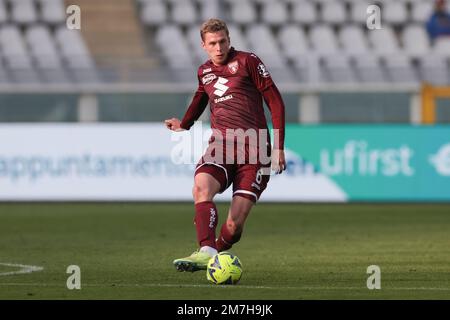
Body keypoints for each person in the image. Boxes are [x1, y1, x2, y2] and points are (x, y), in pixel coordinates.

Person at [164, 19, 286, 272]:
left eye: (222, 42)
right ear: (204, 45)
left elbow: (275, 102)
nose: (218, 48)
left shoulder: (248, 61)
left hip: (255, 151)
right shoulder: (204, 72)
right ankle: (205, 250)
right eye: (212, 44)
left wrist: (278, 147)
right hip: (221, 145)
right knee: (201, 188)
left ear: (229, 40)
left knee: (234, 226)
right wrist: (184, 125)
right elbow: (200, 98)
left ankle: (216, 252)